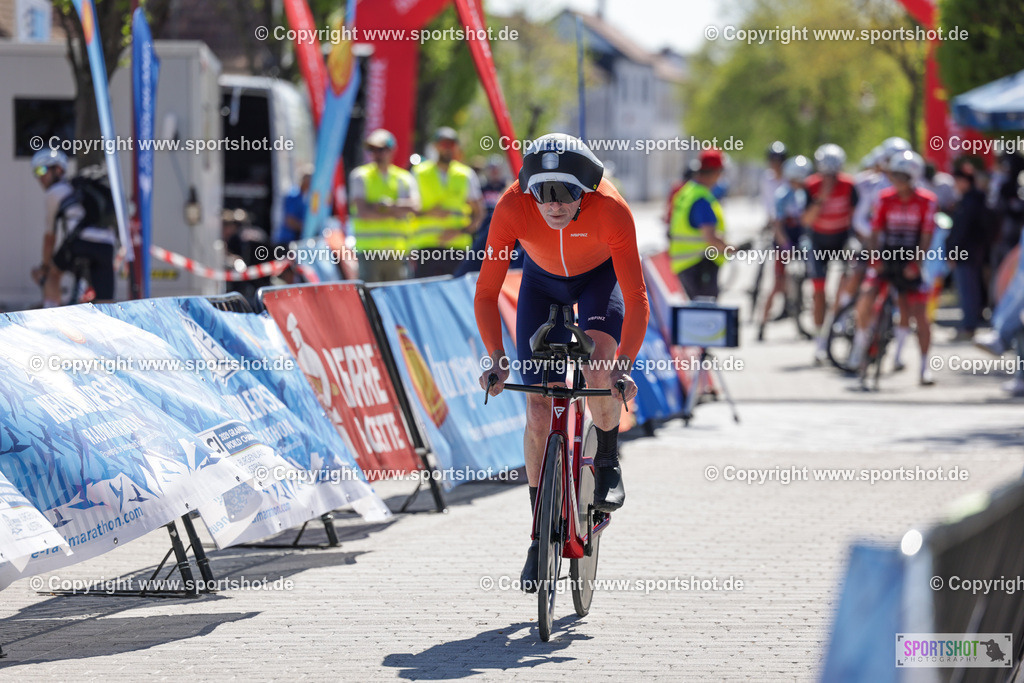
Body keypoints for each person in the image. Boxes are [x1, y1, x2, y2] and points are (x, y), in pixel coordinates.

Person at [474, 133, 648, 592]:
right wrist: (496, 358)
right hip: (541, 284)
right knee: (536, 408)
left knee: (599, 369)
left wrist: (624, 366)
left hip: (598, 281)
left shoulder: (611, 209)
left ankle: (606, 457)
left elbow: (636, 298)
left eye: (565, 194)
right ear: (529, 190)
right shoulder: (511, 206)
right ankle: (539, 534)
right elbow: (487, 292)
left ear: (584, 191)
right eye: (543, 195)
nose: (553, 205)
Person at [848, 150, 937, 385]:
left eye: (902, 177)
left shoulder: (927, 200)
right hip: (886, 258)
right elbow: (876, 231)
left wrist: (916, 263)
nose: (897, 181)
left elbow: (927, 235)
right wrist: (875, 258)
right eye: (894, 175)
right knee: (866, 297)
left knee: (920, 314)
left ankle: (924, 367)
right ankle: (859, 346)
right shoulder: (885, 198)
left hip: (911, 259)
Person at [32, 149, 116, 306]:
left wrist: (44, 267)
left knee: (52, 275)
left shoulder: (54, 192)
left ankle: (51, 313)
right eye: (36, 172)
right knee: (106, 301)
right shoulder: (81, 188)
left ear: (58, 169)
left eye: (42, 170)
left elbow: (50, 237)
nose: (39, 177)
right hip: (106, 246)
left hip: (80, 244)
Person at [804, 143, 858, 363]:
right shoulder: (811, 185)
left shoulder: (849, 185)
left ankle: (837, 323)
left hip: (842, 240)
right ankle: (819, 341)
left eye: (833, 174)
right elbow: (806, 220)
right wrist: (822, 197)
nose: (830, 178)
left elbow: (855, 216)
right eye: (826, 174)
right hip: (818, 242)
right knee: (818, 293)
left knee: (845, 284)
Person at [411, 127, 484, 277]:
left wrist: (459, 232)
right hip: (426, 247)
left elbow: (479, 214)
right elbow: (408, 209)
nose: (448, 148)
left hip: (457, 248)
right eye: (444, 144)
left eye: (452, 144)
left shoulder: (466, 174)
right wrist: (428, 212)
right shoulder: (419, 172)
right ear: (436, 146)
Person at [348, 129, 419, 282]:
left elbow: (415, 207)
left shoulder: (404, 178)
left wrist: (386, 206)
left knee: (395, 295)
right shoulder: (360, 176)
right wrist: (397, 212)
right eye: (372, 150)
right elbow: (363, 212)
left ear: (392, 150)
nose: (376, 154)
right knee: (371, 294)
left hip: (396, 252)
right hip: (369, 252)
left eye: (380, 149)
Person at [758, 154, 812, 340]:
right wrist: (785, 245)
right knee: (778, 284)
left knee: (801, 284)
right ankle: (762, 324)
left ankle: (799, 323)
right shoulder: (782, 194)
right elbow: (778, 226)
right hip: (784, 243)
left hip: (800, 242)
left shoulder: (804, 194)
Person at [669, 149, 730, 300]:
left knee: (695, 309)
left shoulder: (687, 191)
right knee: (706, 311)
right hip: (699, 266)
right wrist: (730, 248)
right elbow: (711, 238)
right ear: (716, 173)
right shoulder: (702, 199)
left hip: (684, 264)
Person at [946, 164, 988, 340]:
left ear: (965, 181)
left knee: (967, 291)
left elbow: (960, 231)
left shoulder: (969, 202)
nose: (955, 185)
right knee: (971, 290)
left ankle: (968, 327)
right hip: (973, 252)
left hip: (966, 253)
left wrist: (952, 252)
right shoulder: (974, 200)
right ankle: (969, 324)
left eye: (957, 181)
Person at [275, 164, 313, 246]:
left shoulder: (306, 196)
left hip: (298, 240)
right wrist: (307, 228)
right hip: (287, 241)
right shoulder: (293, 195)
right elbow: (289, 221)